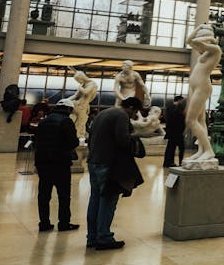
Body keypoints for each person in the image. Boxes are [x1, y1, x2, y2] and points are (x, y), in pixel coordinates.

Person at [87, 97, 144, 250]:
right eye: (136, 111)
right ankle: (104, 237)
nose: (135, 115)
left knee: (95, 200)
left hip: (94, 161)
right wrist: (134, 139)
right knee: (107, 201)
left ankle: (92, 237)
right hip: (108, 164)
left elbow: (90, 136)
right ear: (131, 108)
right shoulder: (121, 116)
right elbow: (122, 140)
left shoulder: (103, 113)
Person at [34, 99, 80, 232]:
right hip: (60, 163)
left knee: (44, 194)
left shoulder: (44, 121)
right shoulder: (66, 121)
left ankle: (44, 223)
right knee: (63, 195)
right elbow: (73, 143)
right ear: (68, 110)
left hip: (42, 162)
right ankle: (64, 223)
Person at [184, 24, 221, 164]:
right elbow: (189, 41)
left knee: (190, 120)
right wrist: (199, 27)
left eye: (204, 40)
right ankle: (202, 151)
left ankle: (209, 150)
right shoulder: (205, 52)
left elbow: (197, 42)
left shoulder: (215, 50)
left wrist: (208, 37)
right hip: (195, 87)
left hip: (202, 87)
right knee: (200, 121)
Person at [163, 96, 186, 168]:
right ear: (179, 100)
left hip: (171, 131)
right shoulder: (176, 109)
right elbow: (179, 120)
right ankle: (180, 162)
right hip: (177, 131)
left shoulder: (169, 108)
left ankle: (168, 162)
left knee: (170, 148)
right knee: (181, 148)